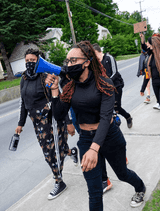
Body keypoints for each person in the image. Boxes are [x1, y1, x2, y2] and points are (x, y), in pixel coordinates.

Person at [45, 41, 146, 210]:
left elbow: (106, 118)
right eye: (67, 61)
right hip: (85, 138)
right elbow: (59, 115)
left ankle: (140, 188)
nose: (68, 65)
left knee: (122, 174)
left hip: (109, 136)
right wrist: (55, 91)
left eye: (73, 60)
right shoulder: (69, 87)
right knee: (94, 190)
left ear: (87, 62)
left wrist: (94, 149)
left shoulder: (104, 83)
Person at [15, 48, 78, 200]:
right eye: (27, 61)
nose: (30, 63)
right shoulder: (24, 78)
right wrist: (20, 123)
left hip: (52, 119)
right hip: (36, 122)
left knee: (51, 153)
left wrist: (69, 122)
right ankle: (72, 152)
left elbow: (60, 99)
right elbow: (23, 102)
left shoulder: (46, 77)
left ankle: (59, 181)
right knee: (56, 148)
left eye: (33, 60)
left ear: (40, 61)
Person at [92, 43, 133, 128]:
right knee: (108, 109)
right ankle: (114, 126)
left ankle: (128, 117)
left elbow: (115, 72)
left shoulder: (109, 58)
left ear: (98, 51)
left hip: (116, 87)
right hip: (106, 89)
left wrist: (107, 83)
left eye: (94, 54)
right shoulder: (96, 63)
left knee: (117, 108)